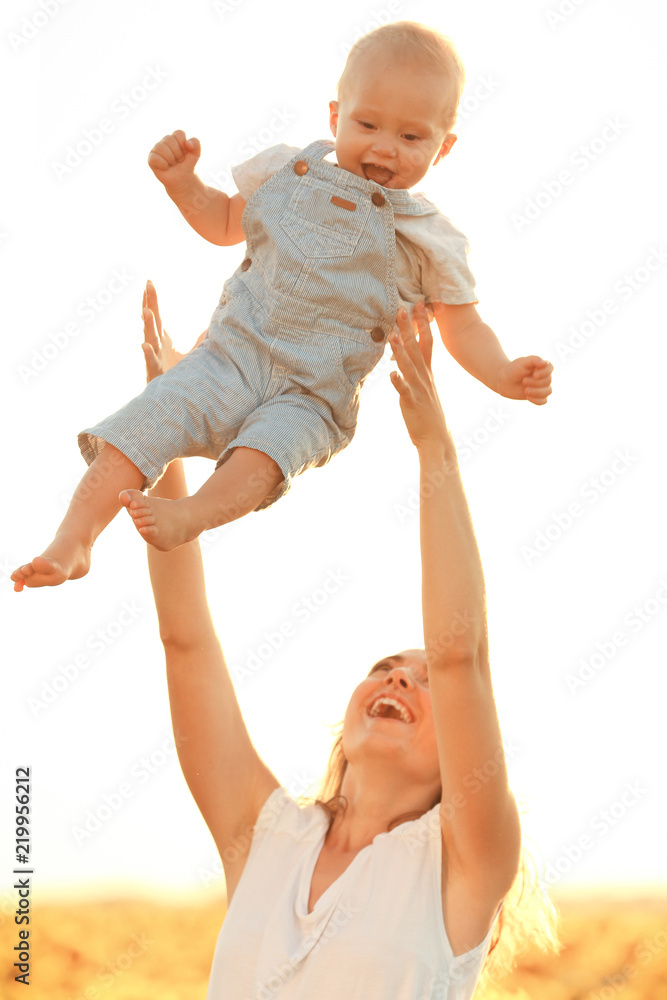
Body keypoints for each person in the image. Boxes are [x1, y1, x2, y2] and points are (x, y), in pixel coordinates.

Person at [11, 21, 553, 592]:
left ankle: (192, 515)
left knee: (265, 456)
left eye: (412, 138)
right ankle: (72, 541)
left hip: (314, 392)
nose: (385, 146)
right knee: (142, 424)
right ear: (334, 116)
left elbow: (463, 325)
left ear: (444, 146)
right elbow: (223, 221)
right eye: (367, 124)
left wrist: (503, 373)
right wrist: (183, 184)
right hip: (227, 357)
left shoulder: (430, 236)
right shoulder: (285, 171)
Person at [135, 285, 557, 998]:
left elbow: (461, 658)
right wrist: (168, 424)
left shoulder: (463, 863)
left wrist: (433, 448)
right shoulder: (263, 836)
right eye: (386, 670)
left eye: (422, 683)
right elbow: (187, 642)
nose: (400, 681)